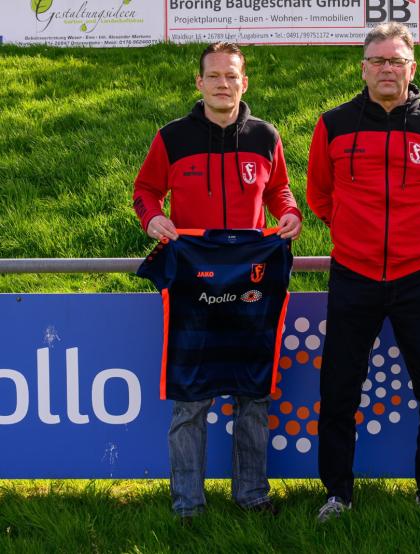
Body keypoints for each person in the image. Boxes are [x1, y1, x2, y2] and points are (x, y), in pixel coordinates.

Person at [132, 41, 302, 520]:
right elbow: (145, 191)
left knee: (254, 394)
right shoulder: (171, 137)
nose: (223, 84)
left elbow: (280, 191)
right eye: (215, 76)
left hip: (251, 282)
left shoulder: (266, 136)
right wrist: (153, 220)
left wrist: (289, 214)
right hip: (195, 283)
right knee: (190, 399)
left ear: (243, 82)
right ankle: (188, 505)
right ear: (199, 83)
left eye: (232, 76)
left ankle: (251, 495)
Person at [306, 22, 420, 520]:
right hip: (354, 275)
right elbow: (320, 195)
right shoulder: (332, 124)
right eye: (378, 61)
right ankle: (337, 494)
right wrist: (355, 232)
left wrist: (417, 239)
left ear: (411, 68)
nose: (387, 69)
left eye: (396, 61)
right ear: (363, 68)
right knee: (338, 389)